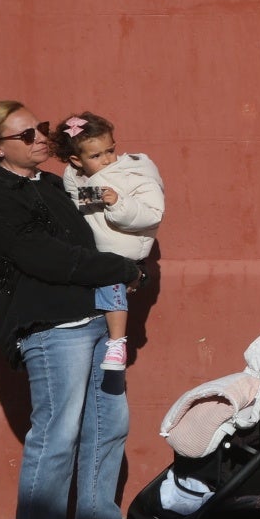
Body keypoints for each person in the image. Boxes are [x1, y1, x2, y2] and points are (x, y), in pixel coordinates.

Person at [0, 101, 143, 519]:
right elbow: (47, 258)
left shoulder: (54, 185)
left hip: (95, 318)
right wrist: (122, 269)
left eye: (39, 128)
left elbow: (85, 241)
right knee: (57, 433)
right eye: (26, 135)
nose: (41, 138)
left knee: (108, 422)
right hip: (52, 329)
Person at [50, 111, 165, 372]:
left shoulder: (135, 172)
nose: (107, 160)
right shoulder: (75, 178)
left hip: (122, 249)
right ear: (76, 160)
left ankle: (117, 342)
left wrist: (118, 203)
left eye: (110, 151)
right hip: (95, 251)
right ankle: (105, 346)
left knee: (112, 281)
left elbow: (151, 214)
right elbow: (78, 204)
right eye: (96, 156)